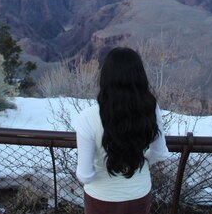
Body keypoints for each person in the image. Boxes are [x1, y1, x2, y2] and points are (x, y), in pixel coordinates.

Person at [73, 47, 170, 214]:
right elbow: (160, 154)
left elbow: (85, 175)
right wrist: (136, 160)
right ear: (140, 77)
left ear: (104, 79)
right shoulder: (151, 109)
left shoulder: (87, 118)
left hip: (101, 199)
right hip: (139, 194)